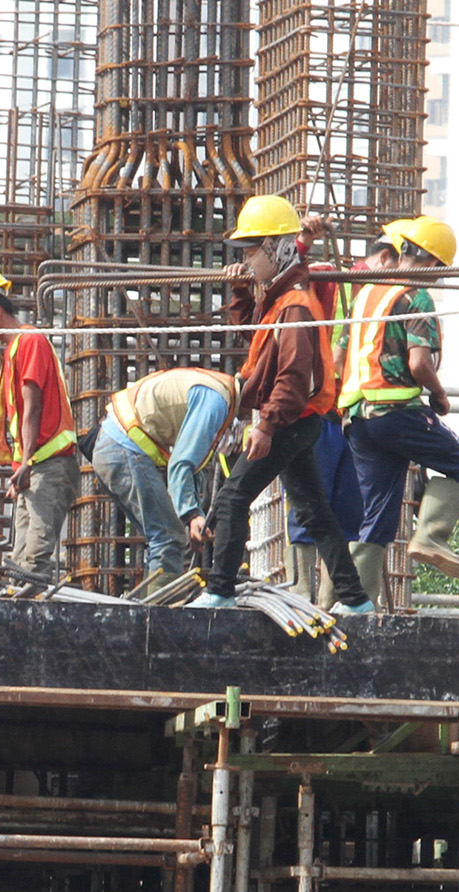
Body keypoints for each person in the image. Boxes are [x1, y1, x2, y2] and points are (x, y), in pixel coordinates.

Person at [189, 195, 374, 614]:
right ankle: (356, 599)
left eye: (253, 250)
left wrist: (266, 426)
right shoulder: (282, 298)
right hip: (299, 420)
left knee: (234, 498)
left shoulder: (295, 307)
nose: (248, 258)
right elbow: (254, 336)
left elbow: (292, 379)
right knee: (315, 512)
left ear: (277, 248)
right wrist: (240, 288)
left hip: (290, 420)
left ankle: (219, 591)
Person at [338, 215, 459, 603]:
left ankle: (355, 604)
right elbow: (419, 363)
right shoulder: (415, 295)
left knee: (378, 515)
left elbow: (339, 357)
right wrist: (439, 397)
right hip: (396, 411)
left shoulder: (366, 291)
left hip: (357, 418)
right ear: (434, 263)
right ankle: (430, 536)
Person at [285, 217, 411, 607]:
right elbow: (288, 275)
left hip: (358, 419)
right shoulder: (334, 277)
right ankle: (302, 592)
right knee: (311, 504)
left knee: (350, 513)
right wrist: (303, 241)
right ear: (388, 258)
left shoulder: (397, 301)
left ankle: (328, 602)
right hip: (320, 413)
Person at [0, 265, 78, 583]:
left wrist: (25, 463)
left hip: (49, 463)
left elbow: (33, 408)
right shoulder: (13, 350)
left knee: (34, 559)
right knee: (20, 562)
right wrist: (20, 468)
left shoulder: (30, 340)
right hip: (33, 466)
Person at [90, 368, 240, 584]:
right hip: (122, 447)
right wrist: (190, 514)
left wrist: (193, 518)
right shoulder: (216, 400)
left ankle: (151, 604)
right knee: (167, 536)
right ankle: (160, 611)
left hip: (116, 446)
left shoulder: (217, 392)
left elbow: (193, 466)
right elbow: (181, 462)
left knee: (164, 536)